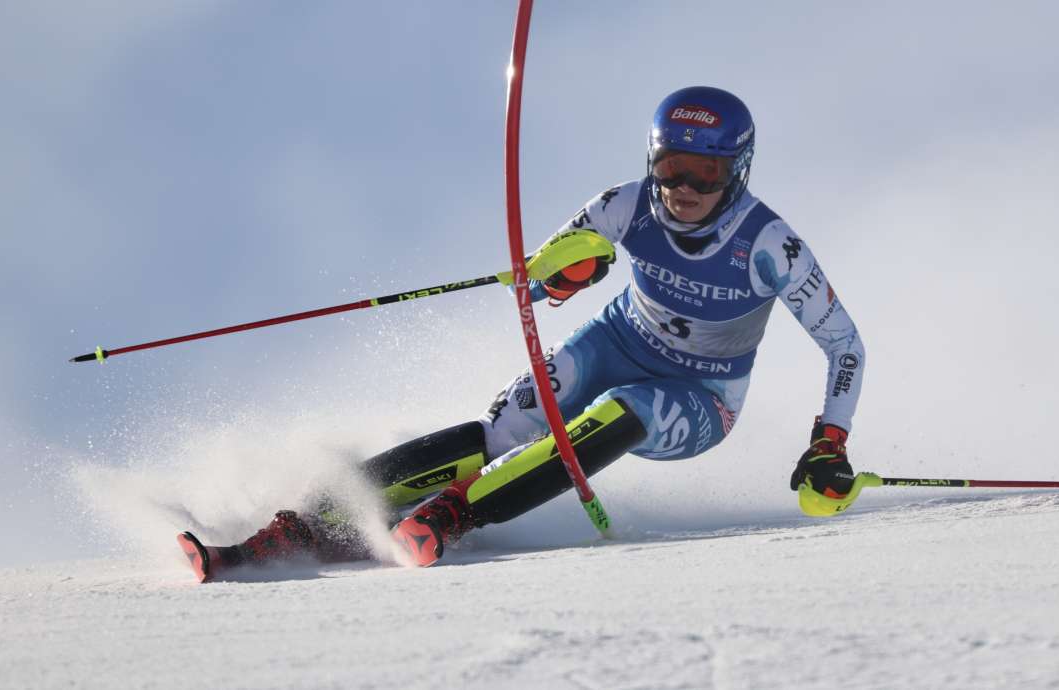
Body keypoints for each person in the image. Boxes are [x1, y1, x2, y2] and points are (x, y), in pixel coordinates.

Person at [177, 86, 867, 582]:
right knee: (505, 430)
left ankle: (450, 517)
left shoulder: (769, 244)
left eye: (705, 172)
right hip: (616, 342)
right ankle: (298, 528)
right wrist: (563, 276)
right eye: (670, 168)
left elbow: (844, 345)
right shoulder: (625, 204)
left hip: (700, 394)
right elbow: (537, 277)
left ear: (737, 170)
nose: (683, 188)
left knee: (622, 411)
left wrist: (829, 443)